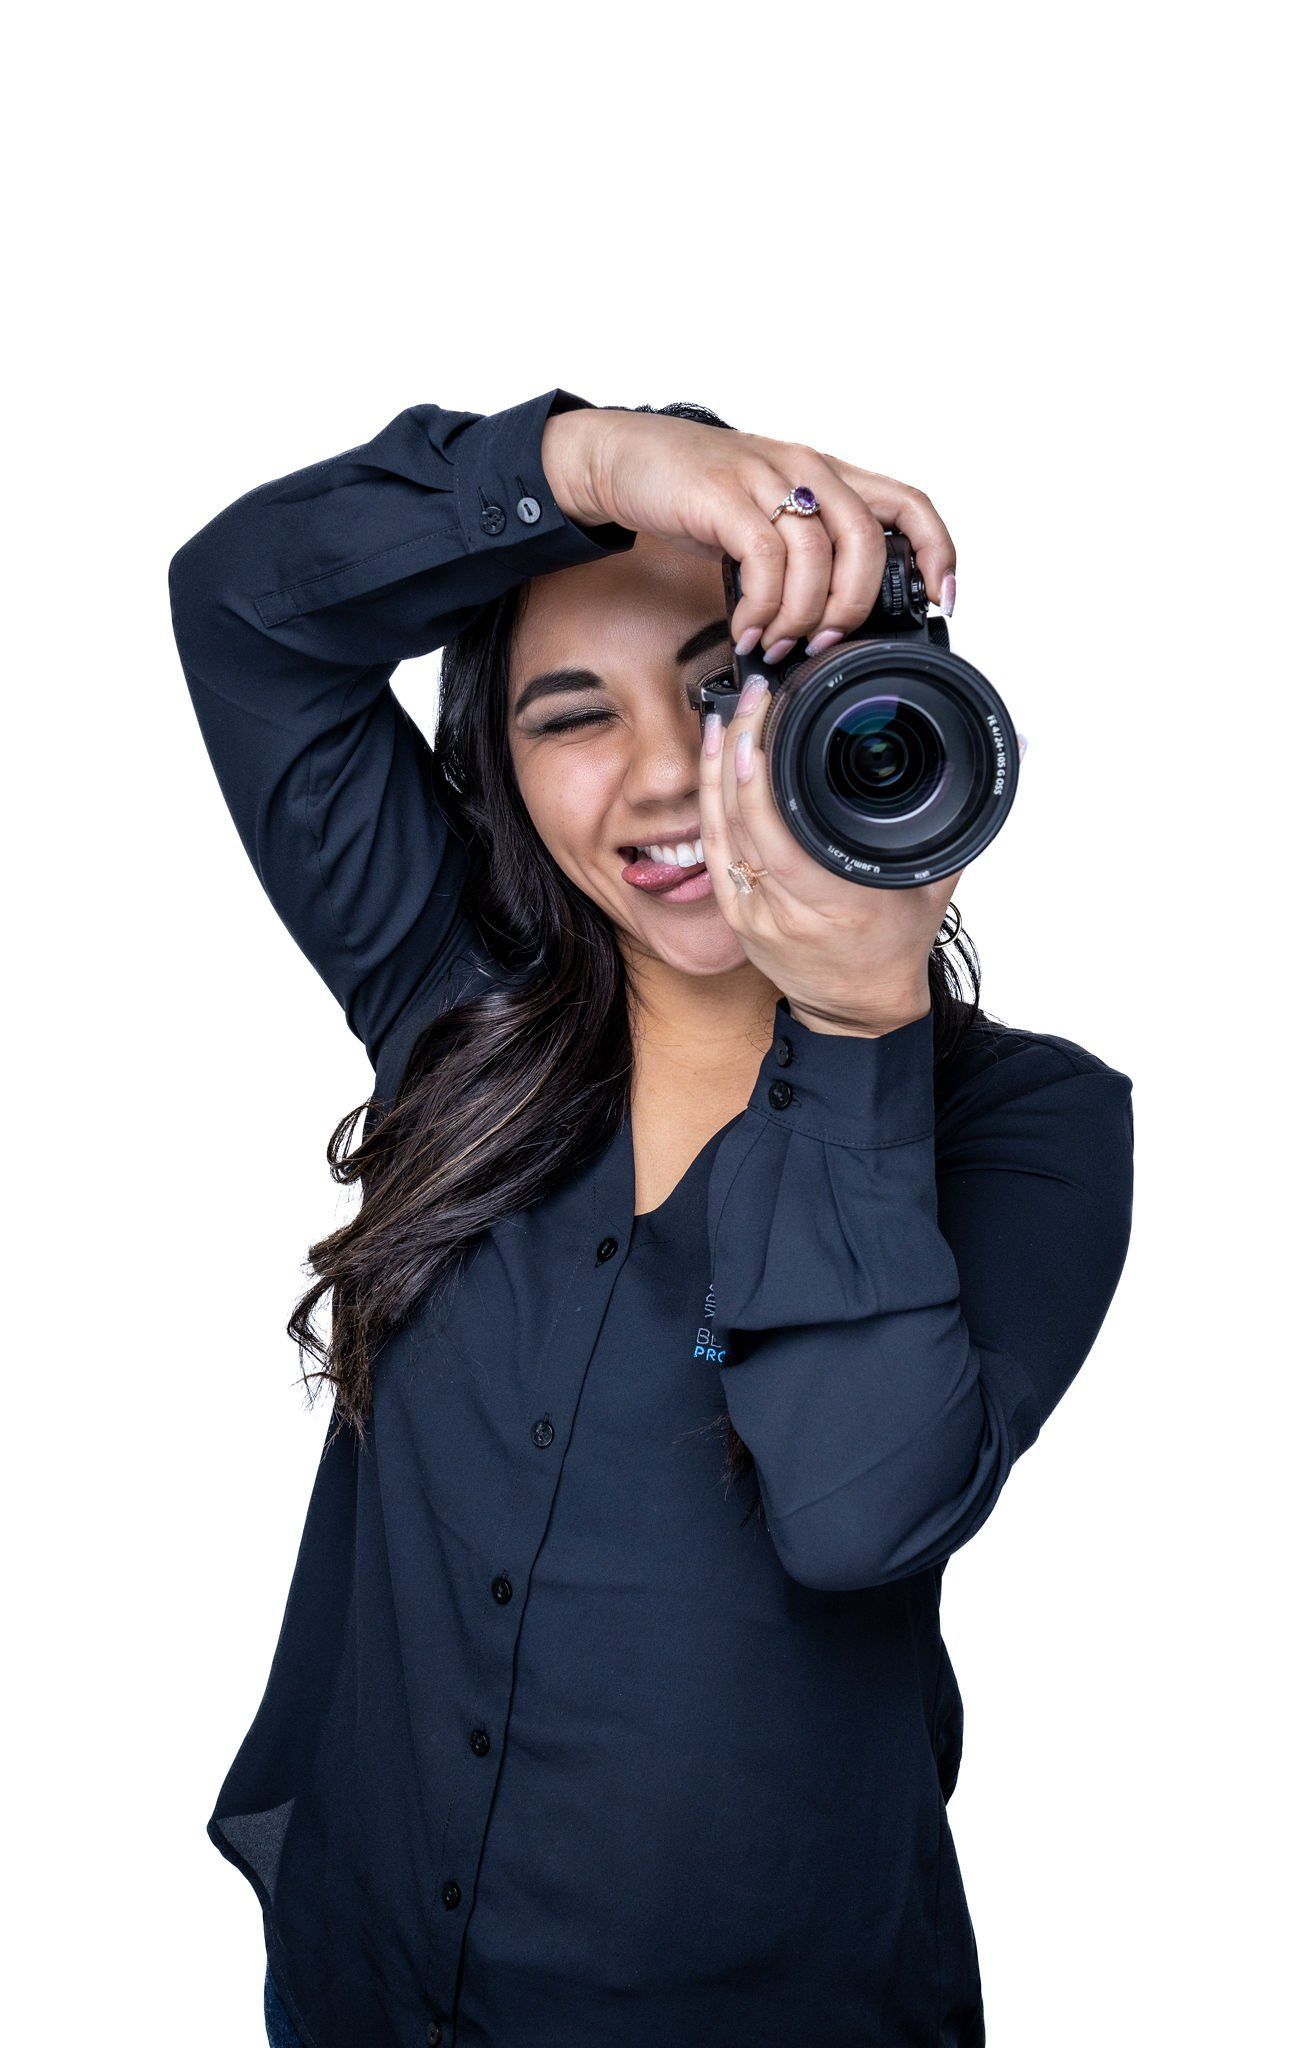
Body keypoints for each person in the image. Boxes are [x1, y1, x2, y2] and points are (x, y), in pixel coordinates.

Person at [167, 388, 1135, 2048]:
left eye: (717, 692)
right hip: (366, 1978)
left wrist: (853, 1027)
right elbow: (246, 608)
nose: (665, 781)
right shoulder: (443, 1005)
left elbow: (856, 1513)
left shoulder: (1030, 1125)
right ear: (499, 776)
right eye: (569, 717)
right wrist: (592, 461)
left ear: (854, 707)